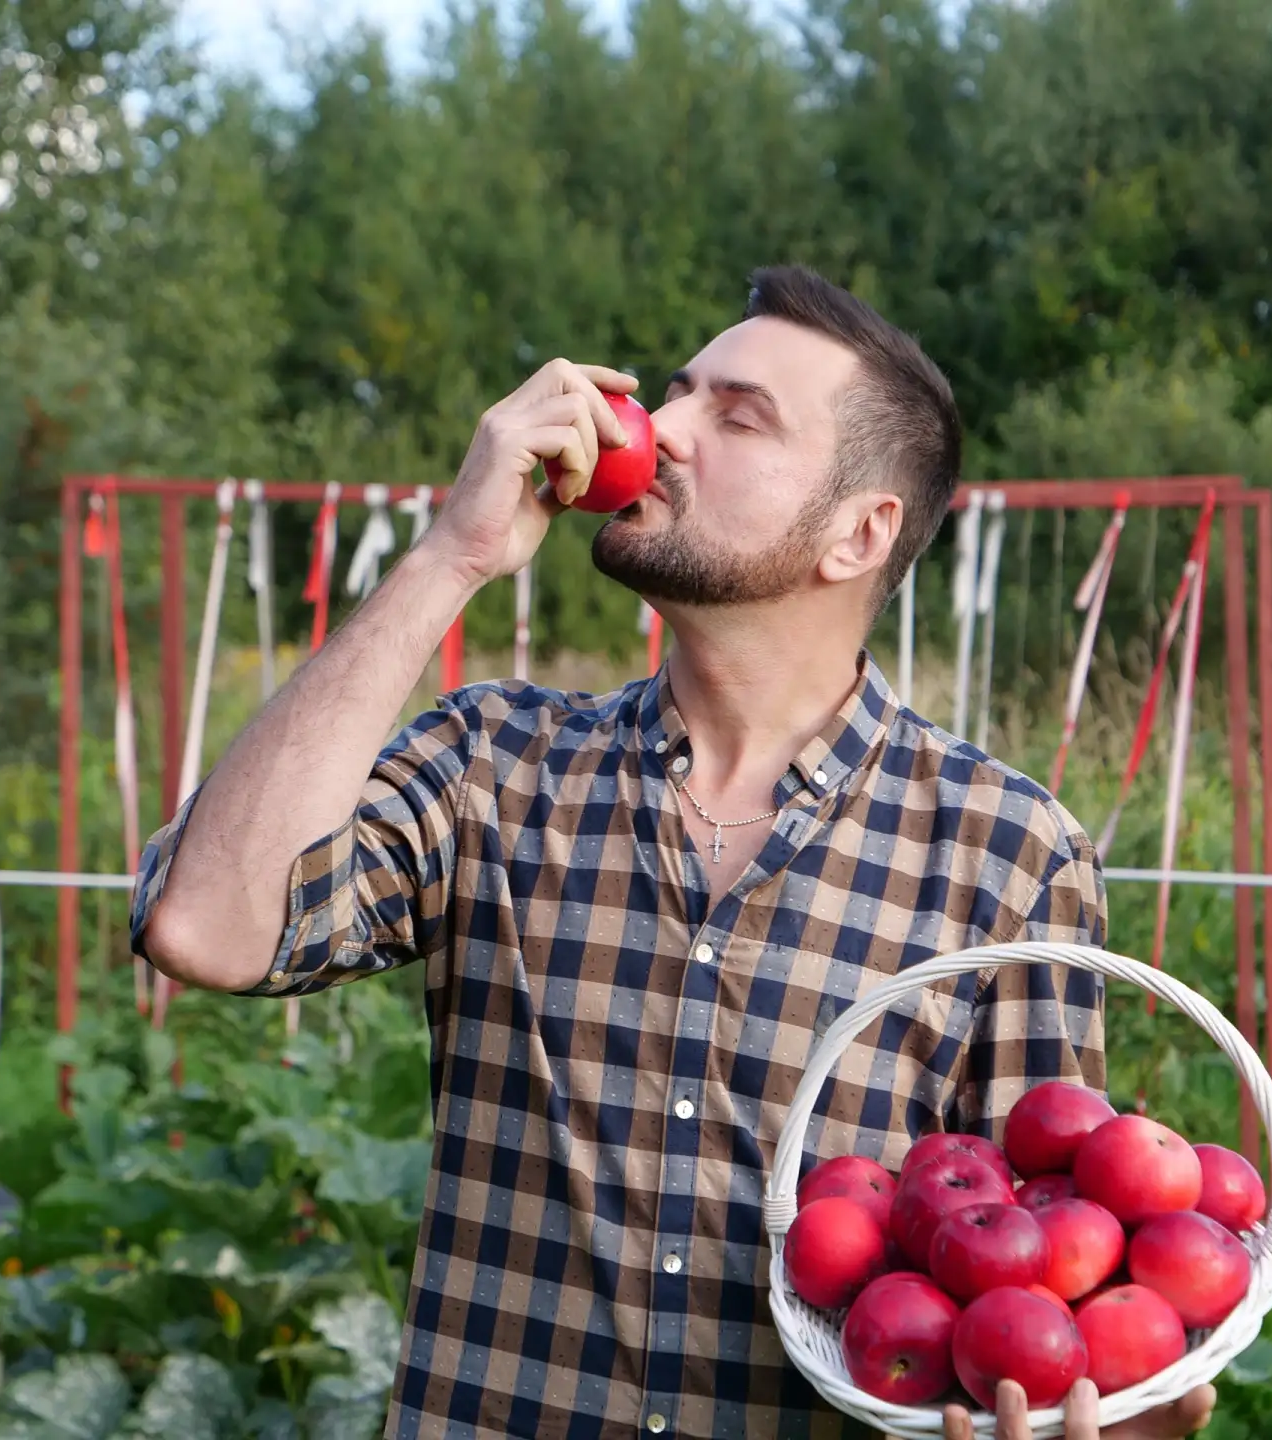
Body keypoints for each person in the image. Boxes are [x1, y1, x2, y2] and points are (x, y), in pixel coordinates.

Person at [131, 266, 1215, 1440]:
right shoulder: (496, 765)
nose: (661, 430)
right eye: (680, 394)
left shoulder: (1008, 856)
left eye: (736, 415)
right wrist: (450, 556)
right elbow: (208, 928)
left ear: (859, 533)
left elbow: (1041, 1272)